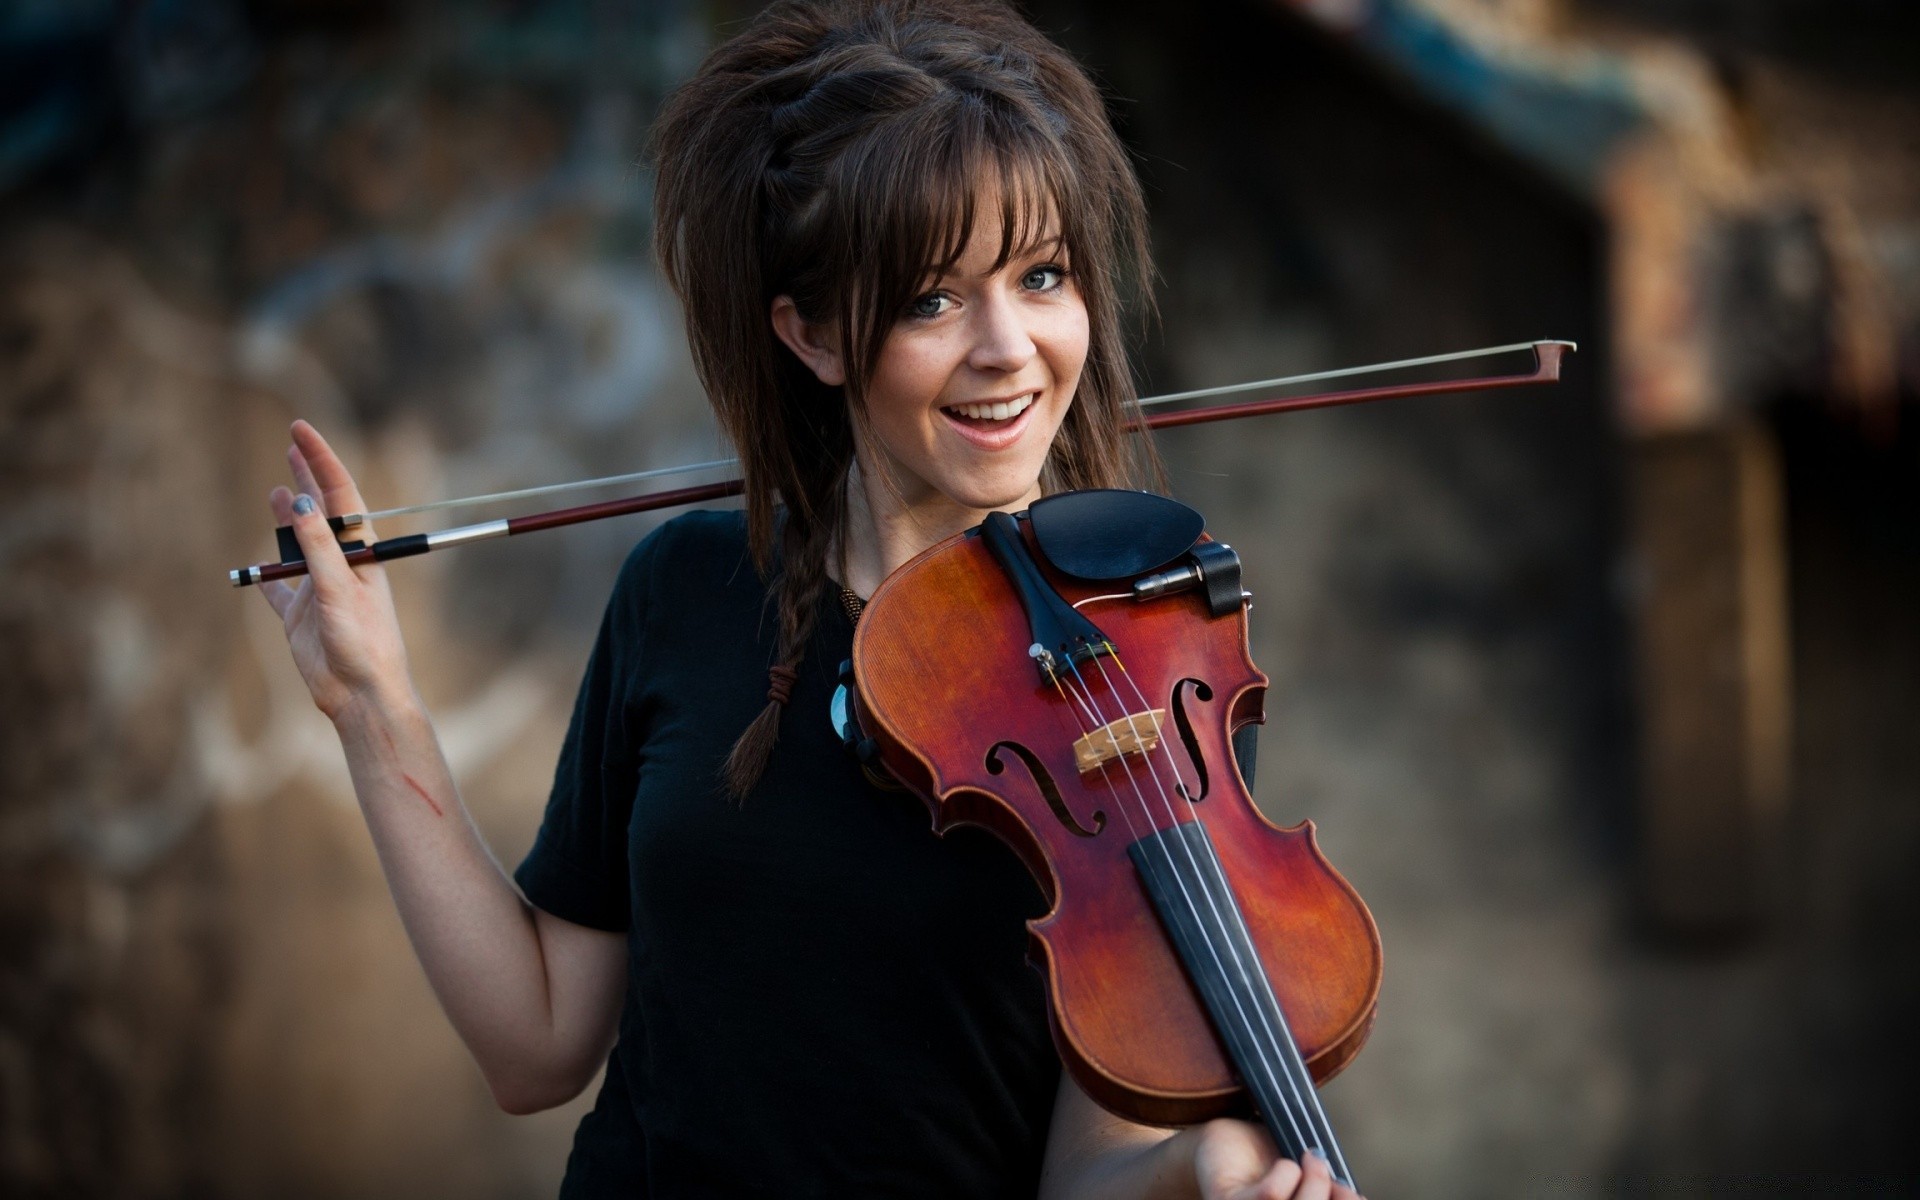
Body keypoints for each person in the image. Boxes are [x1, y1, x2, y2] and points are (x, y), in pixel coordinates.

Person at [259, 1, 1364, 1196]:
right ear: (815, 333)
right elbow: (533, 1046)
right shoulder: (684, 591)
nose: (1009, 347)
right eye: (934, 299)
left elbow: (1083, 1171)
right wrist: (373, 705)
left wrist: (1197, 1173)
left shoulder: (1145, 650)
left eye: (1043, 277)